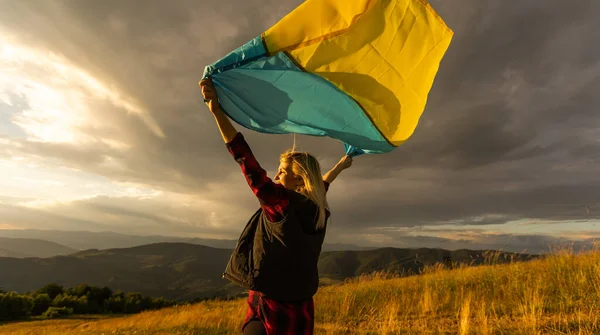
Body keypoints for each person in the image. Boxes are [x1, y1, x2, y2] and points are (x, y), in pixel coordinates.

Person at [200, 78, 353, 335]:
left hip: (269, 307)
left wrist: (216, 111)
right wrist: (340, 165)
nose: (276, 176)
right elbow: (321, 185)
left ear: (299, 179)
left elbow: (244, 159)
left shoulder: (279, 205)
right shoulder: (318, 210)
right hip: (301, 306)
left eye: (283, 172)